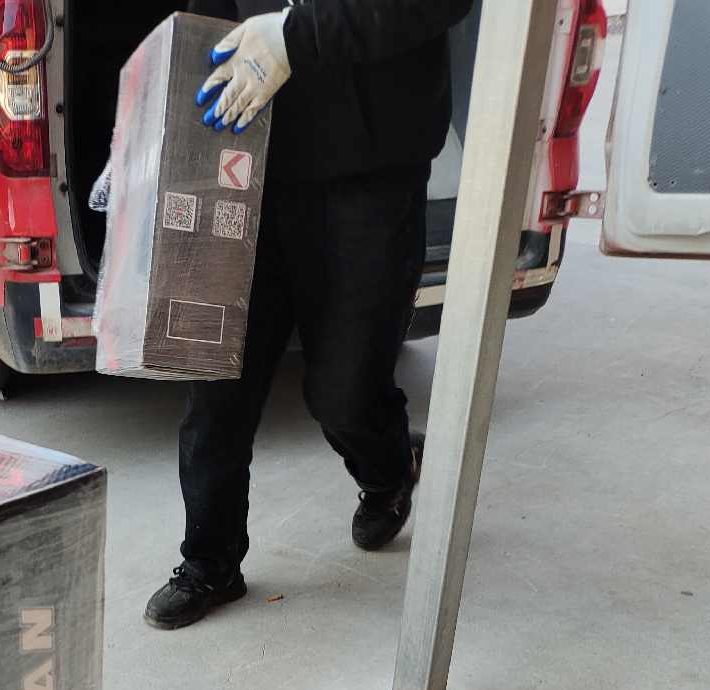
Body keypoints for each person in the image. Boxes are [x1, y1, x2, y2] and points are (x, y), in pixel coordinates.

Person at [144, 0, 474, 630]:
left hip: (368, 166)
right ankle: (210, 562)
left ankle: (389, 469)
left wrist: (297, 35)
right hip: (240, 151)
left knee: (343, 393)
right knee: (217, 386)